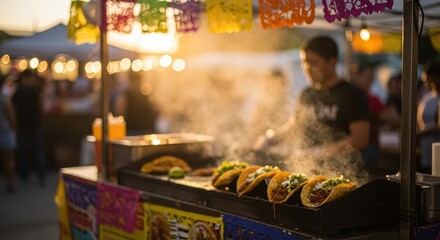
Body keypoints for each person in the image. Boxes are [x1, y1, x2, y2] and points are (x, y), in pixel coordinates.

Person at [253, 36, 370, 175]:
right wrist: (271, 138)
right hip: (308, 171)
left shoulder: (352, 94)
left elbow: (361, 138)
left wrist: (322, 152)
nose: (307, 68)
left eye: (313, 63)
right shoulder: (307, 94)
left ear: (332, 62)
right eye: (304, 62)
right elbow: (295, 125)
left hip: (343, 173)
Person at [352, 63, 400, 167]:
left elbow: (395, 121)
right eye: (367, 78)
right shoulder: (367, 99)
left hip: (368, 147)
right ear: (357, 76)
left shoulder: (372, 100)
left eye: (371, 78)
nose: (369, 82)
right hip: (353, 146)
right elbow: (395, 120)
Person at [11, 70, 47, 185]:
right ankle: (41, 175)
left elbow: (12, 107)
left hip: (22, 125)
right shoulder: (36, 91)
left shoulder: (18, 91)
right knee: (38, 151)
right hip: (35, 124)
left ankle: (24, 174)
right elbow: (42, 107)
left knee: (23, 151)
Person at [416, 59, 440, 174]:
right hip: (426, 153)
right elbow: (420, 121)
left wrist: (420, 134)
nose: (426, 82)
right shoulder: (427, 97)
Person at [0, 75, 16, 193]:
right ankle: (9, 184)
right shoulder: (4, 99)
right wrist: (15, 128)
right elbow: (11, 116)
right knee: (9, 159)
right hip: (5, 131)